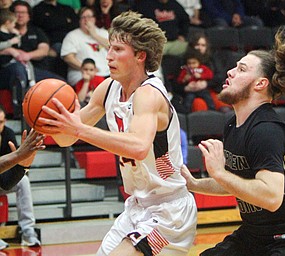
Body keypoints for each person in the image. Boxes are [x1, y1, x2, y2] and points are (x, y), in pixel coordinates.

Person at [39, 10, 197, 255]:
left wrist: (79, 129)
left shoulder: (149, 94)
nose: (109, 56)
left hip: (169, 213)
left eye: (118, 50)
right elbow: (65, 138)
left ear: (140, 56)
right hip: (136, 207)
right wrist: (52, 124)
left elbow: (138, 146)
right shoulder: (108, 88)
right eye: (109, 48)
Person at [181, 29, 285, 255]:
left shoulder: (267, 130)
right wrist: (194, 184)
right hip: (255, 235)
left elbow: (272, 197)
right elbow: (240, 182)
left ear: (260, 84)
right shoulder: (233, 125)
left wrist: (220, 173)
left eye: (241, 69)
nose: (230, 71)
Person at [0, 106, 44, 249]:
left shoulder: (9, 134)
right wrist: (17, 156)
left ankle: (27, 231)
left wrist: (21, 166)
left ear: (5, 121)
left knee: (23, 180)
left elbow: (6, 183)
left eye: (0, 122)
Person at [60, 6, 110, 86]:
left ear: (94, 19)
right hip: (83, 75)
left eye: (89, 17)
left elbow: (113, 47)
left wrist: (94, 35)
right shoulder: (72, 35)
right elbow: (68, 57)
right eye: (83, 17)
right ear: (79, 20)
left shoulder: (104, 33)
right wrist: (87, 69)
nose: (86, 20)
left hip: (107, 74)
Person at [177, 47, 215, 113]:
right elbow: (179, 80)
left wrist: (201, 76)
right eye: (189, 63)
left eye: (194, 63)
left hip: (202, 89)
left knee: (208, 98)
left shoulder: (203, 68)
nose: (191, 65)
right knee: (188, 100)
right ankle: (187, 113)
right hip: (191, 91)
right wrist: (185, 79)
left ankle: (212, 112)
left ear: (199, 62)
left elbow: (210, 75)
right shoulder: (185, 70)